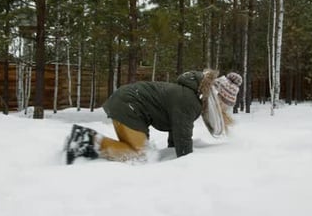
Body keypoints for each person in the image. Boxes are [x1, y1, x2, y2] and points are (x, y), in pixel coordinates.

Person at [64, 69, 242, 165]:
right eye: (226, 105)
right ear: (218, 96)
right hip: (129, 105)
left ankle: (85, 141)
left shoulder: (192, 95)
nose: (225, 110)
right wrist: (188, 165)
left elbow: (176, 129)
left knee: (140, 152)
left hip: (130, 105)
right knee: (139, 155)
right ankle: (84, 141)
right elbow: (182, 133)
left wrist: (173, 151)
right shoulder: (190, 100)